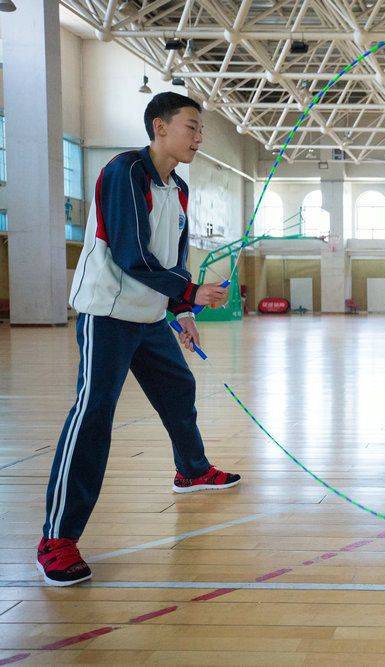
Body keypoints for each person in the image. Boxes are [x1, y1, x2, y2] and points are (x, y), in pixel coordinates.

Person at [37, 92, 240, 586]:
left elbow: (170, 257)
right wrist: (191, 292)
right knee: (94, 413)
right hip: (107, 312)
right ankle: (57, 538)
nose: (198, 137)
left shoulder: (181, 189)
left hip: (149, 316)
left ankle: (191, 469)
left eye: (200, 130)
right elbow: (130, 254)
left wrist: (181, 308)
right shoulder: (126, 171)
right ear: (159, 126)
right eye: (191, 127)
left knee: (178, 389)